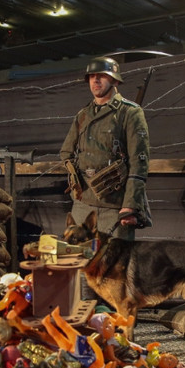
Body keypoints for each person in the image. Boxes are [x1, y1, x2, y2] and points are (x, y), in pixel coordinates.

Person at [60, 57, 151, 240]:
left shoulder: (130, 113)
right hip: (82, 204)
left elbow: (138, 163)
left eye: (102, 76)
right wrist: (75, 179)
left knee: (114, 265)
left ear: (115, 80)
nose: (95, 80)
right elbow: (66, 152)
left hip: (114, 206)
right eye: (92, 76)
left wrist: (130, 206)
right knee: (79, 261)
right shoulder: (83, 115)